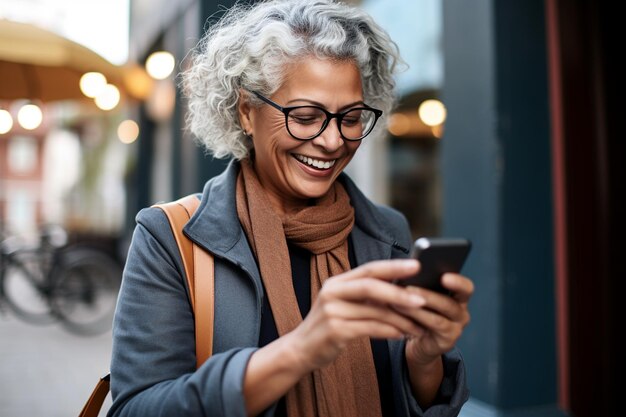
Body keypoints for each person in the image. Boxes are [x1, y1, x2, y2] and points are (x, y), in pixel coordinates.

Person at [108, 1, 474, 416]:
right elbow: (136, 408)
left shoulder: (386, 231)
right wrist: (301, 349)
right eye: (305, 116)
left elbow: (411, 402)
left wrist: (423, 359)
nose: (333, 141)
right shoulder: (169, 237)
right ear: (247, 111)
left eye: (351, 117)